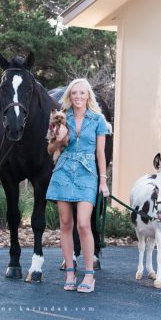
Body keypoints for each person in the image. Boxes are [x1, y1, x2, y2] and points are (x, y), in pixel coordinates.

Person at [45, 78, 109, 294]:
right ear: (70, 97)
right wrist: (59, 139)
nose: (78, 97)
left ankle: (89, 275)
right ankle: (70, 272)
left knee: (83, 223)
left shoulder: (98, 120)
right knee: (65, 223)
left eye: (82, 93)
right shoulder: (60, 119)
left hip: (87, 173)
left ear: (88, 96)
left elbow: (100, 153)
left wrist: (103, 180)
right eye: (74, 94)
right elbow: (50, 149)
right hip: (63, 170)